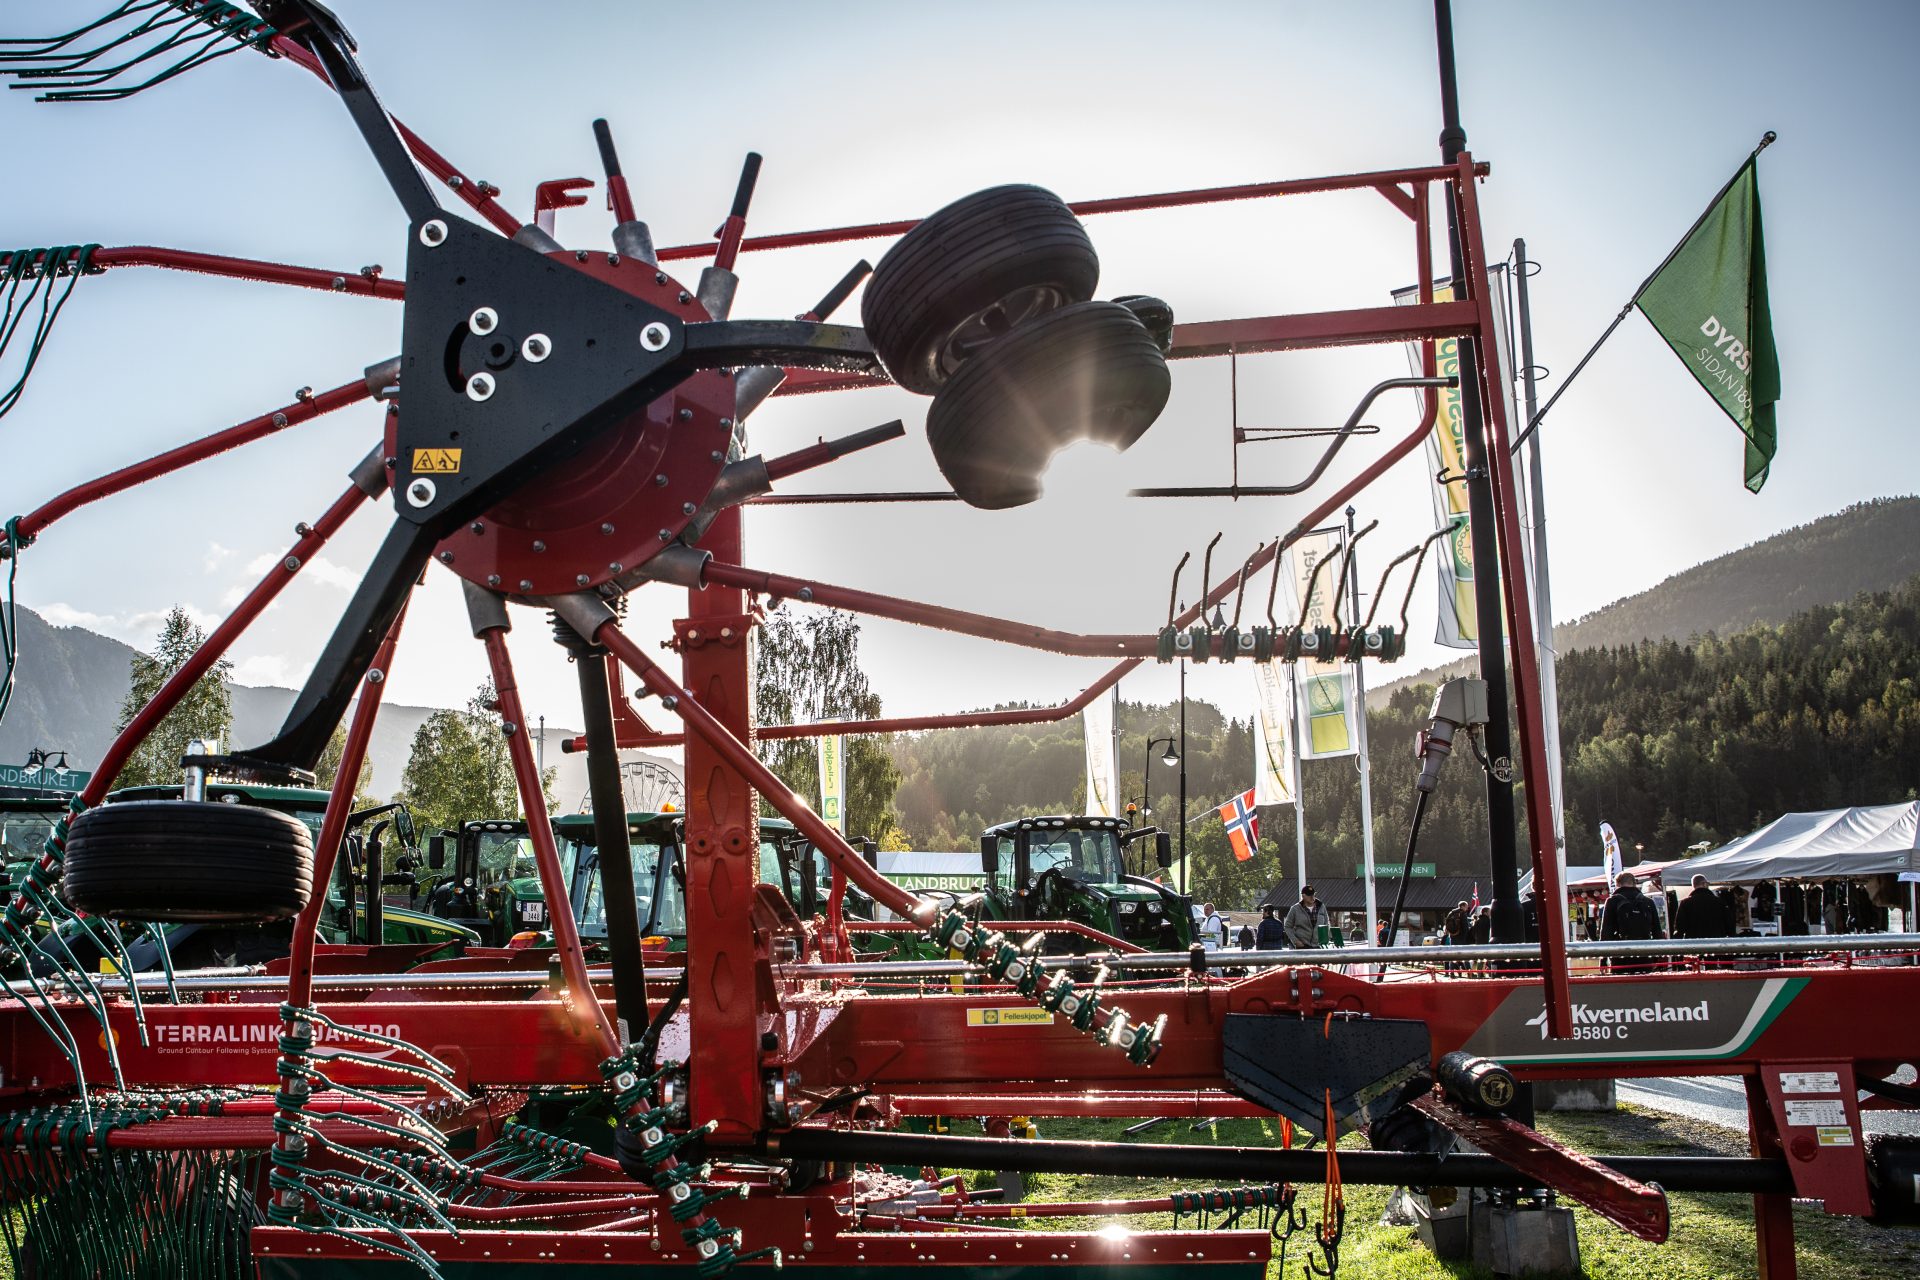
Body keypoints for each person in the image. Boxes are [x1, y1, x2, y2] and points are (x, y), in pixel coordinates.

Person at [1600, 871, 1665, 971]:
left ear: (1618, 884)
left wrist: (1603, 959)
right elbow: (1657, 930)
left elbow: (1606, 931)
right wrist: (1658, 957)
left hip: (1620, 954)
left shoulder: (1612, 901)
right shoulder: (1648, 901)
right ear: (1635, 883)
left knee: (1623, 984)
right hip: (1644, 952)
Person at [1676, 874, 1731, 941]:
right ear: (1704, 884)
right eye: (1707, 883)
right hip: (1717, 943)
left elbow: (1680, 927)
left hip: (1694, 944)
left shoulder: (1685, 903)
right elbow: (1729, 924)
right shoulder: (1719, 902)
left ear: (1694, 886)